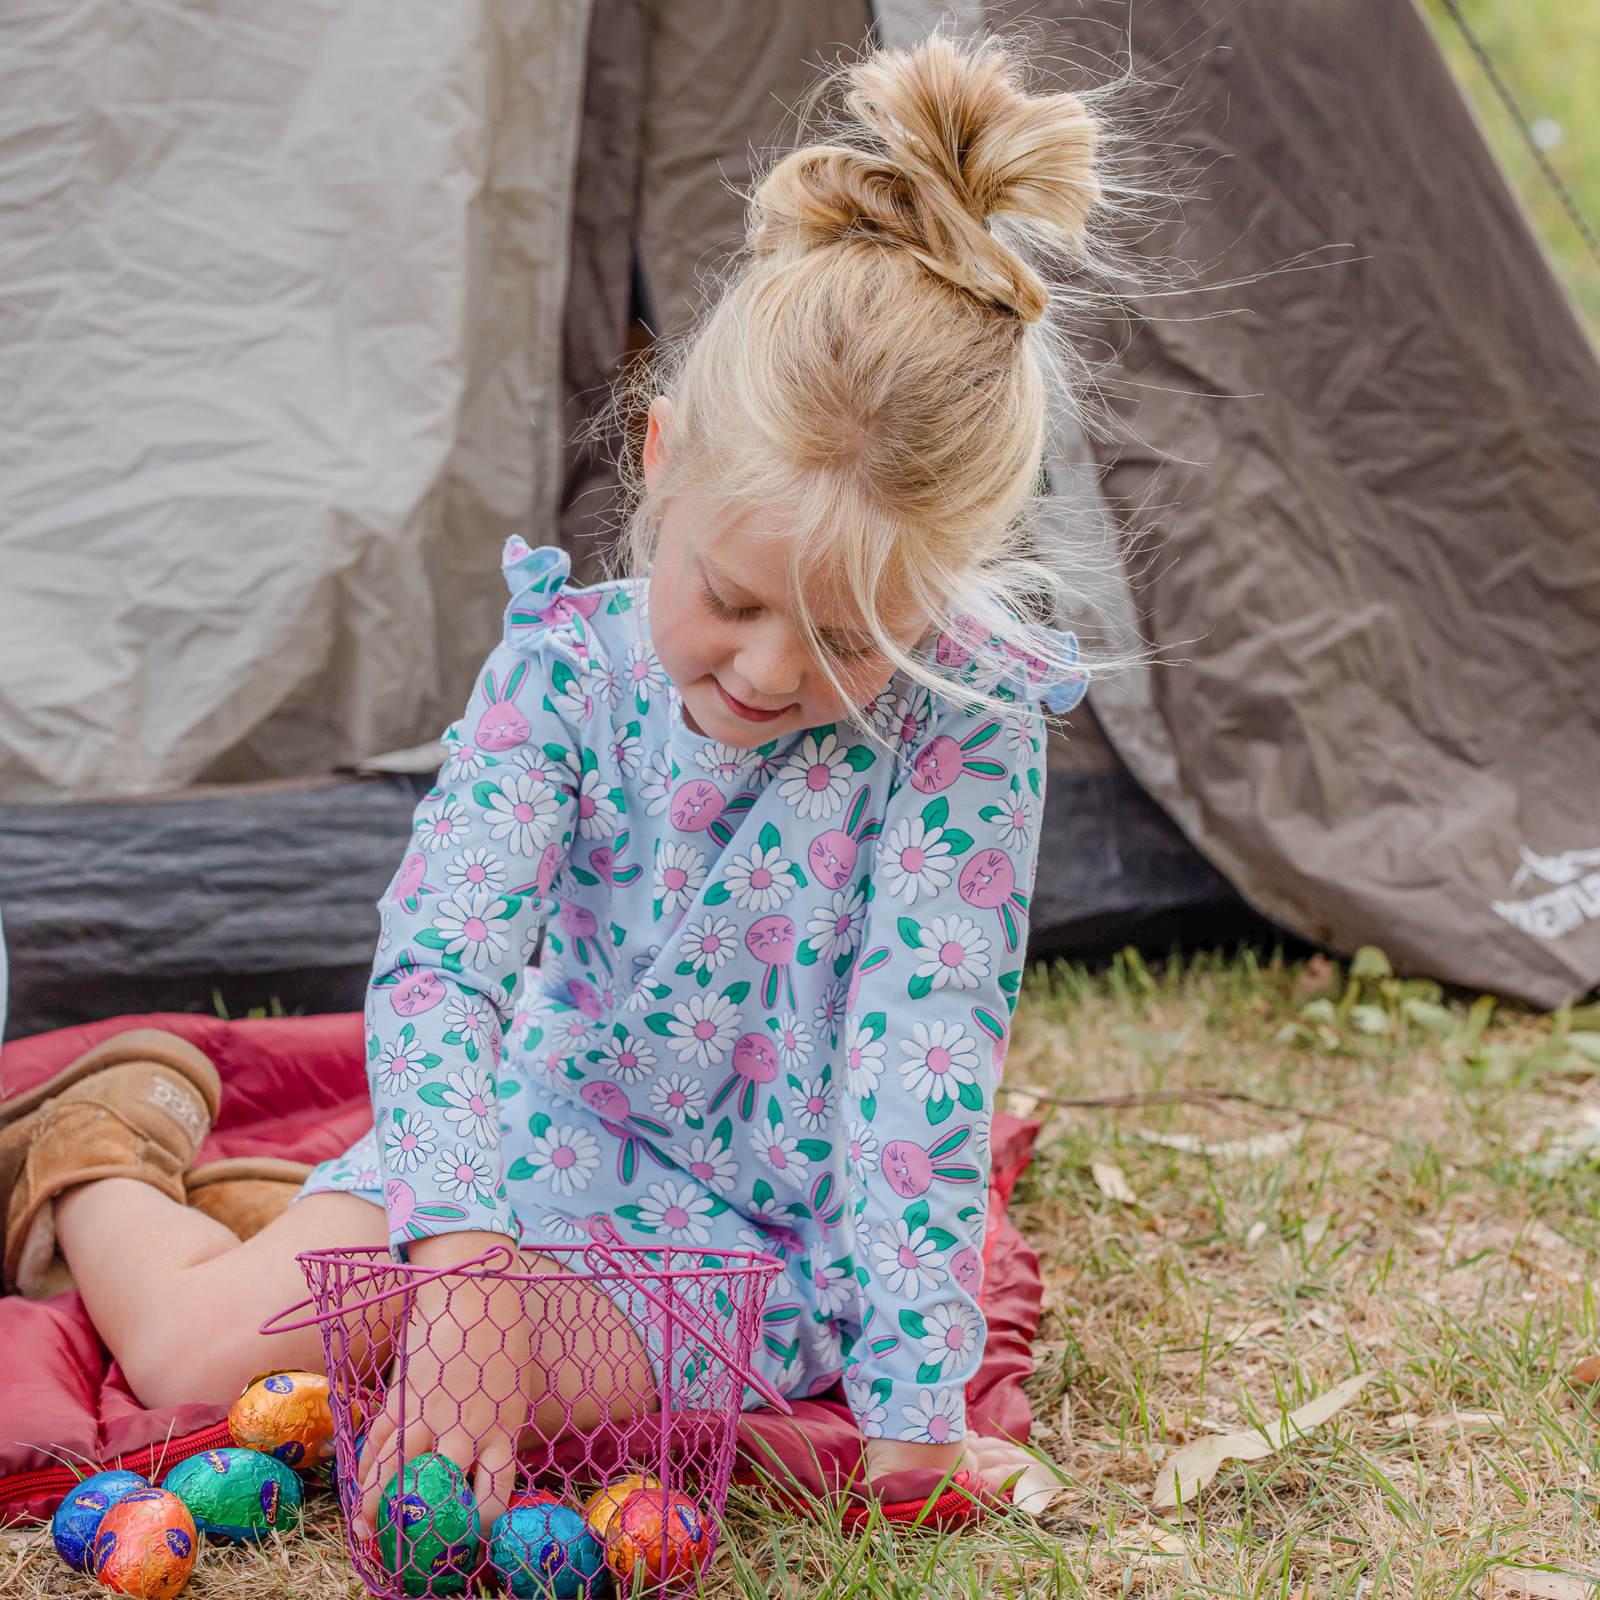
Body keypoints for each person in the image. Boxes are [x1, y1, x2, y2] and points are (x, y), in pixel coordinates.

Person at [0, 34, 1101, 1535]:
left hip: (752, 1246)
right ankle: (92, 1150)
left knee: (464, 1382)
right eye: (731, 598)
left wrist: (914, 1421)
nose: (770, 671)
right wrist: (458, 1248)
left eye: (850, 638)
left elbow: (921, 1072)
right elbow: (444, 965)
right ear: (660, 459)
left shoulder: (964, 733)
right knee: (189, 1356)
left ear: (944, 595)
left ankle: (327, 1248)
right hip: (525, 1143)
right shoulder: (566, 673)